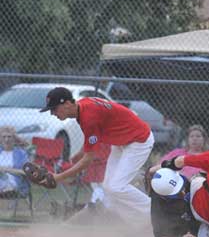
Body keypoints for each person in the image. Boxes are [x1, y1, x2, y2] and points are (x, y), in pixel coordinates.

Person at [40, 87, 154, 225]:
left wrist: (58, 177)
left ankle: (155, 212)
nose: (52, 113)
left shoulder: (88, 118)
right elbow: (94, 137)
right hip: (122, 142)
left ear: (67, 104)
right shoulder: (82, 107)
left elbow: (88, 160)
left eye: (54, 109)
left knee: (117, 187)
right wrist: (79, 154)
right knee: (108, 188)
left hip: (139, 141)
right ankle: (140, 224)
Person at [0, 126, 30, 197]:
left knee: (8, 185)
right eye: (4, 137)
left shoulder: (21, 153)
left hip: (15, 183)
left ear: (14, 138)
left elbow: (26, 172)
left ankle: (7, 189)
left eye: (9, 137)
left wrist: (6, 169)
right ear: (0, 138)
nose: (6, 139)